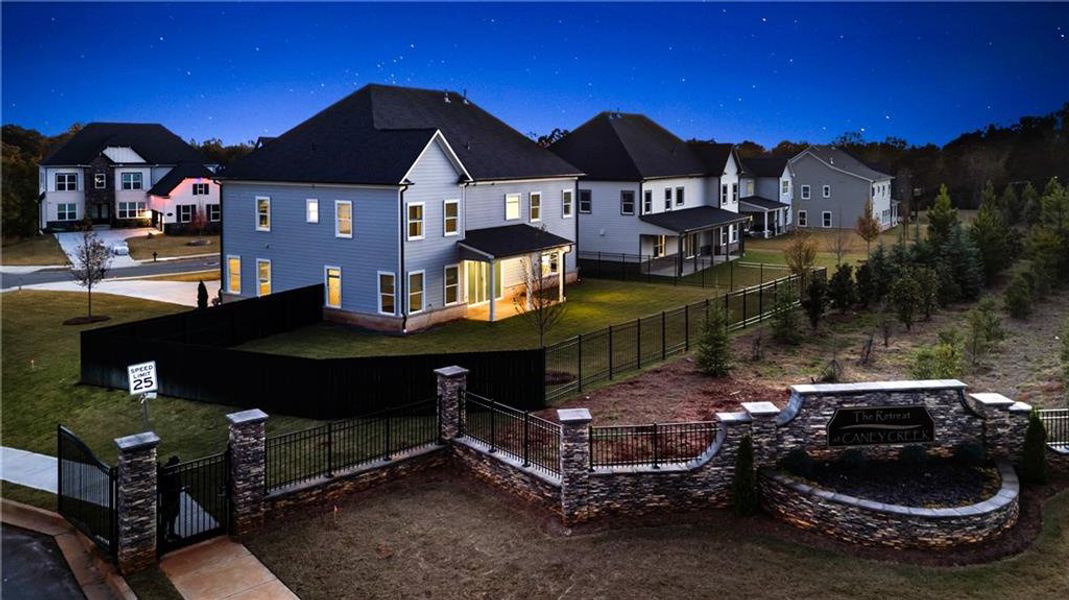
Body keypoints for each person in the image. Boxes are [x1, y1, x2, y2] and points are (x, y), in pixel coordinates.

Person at [159, 456, 182, 542]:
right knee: (166, 517)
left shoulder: (173, 470)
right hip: (169, 497)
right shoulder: (166, 471)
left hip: (175, 496)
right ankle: (163, 535)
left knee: (173, 516)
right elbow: (162, 486)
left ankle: (170, 533)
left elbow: (178, 481)